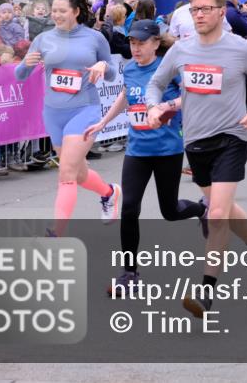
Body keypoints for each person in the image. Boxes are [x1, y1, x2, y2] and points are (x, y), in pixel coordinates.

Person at [145, 0, 247, 319]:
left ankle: (206, 292)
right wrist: (152, 107)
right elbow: (156, 82)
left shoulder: (241, 48)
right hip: (196, 141)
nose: (198, 15)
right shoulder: (181, 50)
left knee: (216, 214)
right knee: (224, 208)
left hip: (232, 137)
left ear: (221, 11)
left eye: (204, 9)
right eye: (194, 10)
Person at [82, 20, 207, 295]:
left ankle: (202, 210)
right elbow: (126, 96)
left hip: (167, 150)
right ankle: (130, 273)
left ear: (155, 43)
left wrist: (167, 107)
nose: (135, 48)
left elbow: (191, 93)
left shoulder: (168, 68)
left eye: (141, 43)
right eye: (131, 43)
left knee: (170, 211)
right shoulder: (129, 68)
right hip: (137, 149)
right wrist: (103, 123)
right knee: (129, 208)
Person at [15, 0, 122, 236]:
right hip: (53, 112)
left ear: (75, 12)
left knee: (66, 172)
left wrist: (102, 65)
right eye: (54, 10)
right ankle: (109, 192)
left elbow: (112, 73)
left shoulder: (95, 38)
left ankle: (57, 231)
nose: (57, 15)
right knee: (79, 173)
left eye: (62, 11)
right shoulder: (43, 38)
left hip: (84, 108)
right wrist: (25, 65)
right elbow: (20, 75)